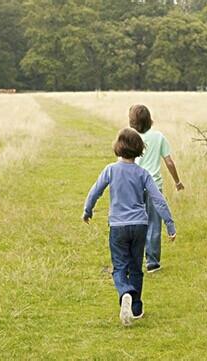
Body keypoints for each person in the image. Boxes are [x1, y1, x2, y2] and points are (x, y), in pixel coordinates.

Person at [83, 128, 176, 326]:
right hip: (140, 225)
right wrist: (169, 223)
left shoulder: (110, 170)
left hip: (118, 226)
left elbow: (95, 191)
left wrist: (87, 210)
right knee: (136, 267)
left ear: (118, 148)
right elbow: (158, 199)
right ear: (139, 150)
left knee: (119, 267)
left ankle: (125, 291)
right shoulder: (143, 173)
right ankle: (136, 307)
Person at [129, 104, 184, 273]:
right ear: (149, 120)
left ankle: (133, 259)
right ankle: (152, 262)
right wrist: (177, 181)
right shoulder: (159, 137)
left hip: (134, 186)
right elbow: (169, 162)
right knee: (153, 223)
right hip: (155, 187)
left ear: (132, 122)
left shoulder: (130, 137)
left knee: (135, 222)